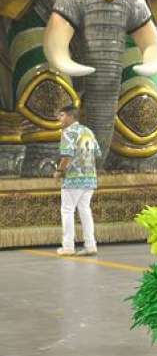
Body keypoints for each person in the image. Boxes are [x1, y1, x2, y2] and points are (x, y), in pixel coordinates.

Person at [54, 105, 101, 256]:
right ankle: (90, 245)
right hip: (90, 177)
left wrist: (59, 171)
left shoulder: (68, 132)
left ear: (70, 117)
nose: (60, 119)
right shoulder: (88, 131)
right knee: (85, 210)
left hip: (73, 179)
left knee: (67, 210)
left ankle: (68, 246)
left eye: (62, 115)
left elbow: (66, 155)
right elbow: (97, 153)